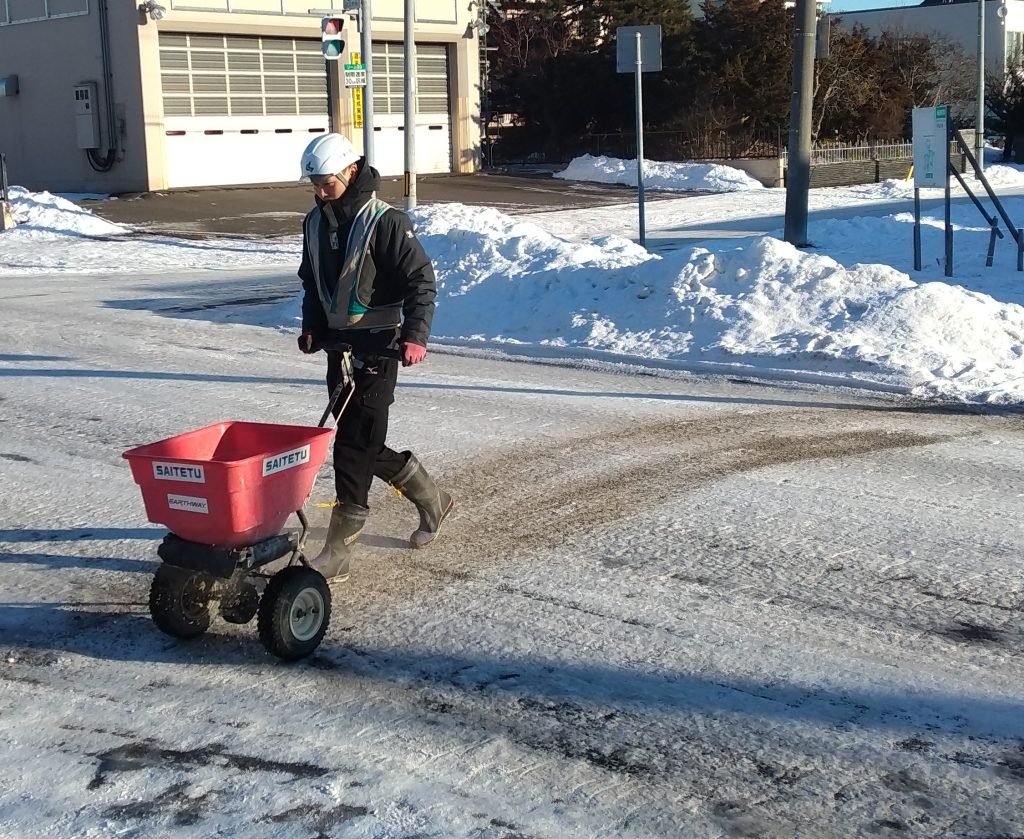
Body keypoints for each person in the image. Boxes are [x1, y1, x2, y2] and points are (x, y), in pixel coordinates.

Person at [296, 132, 453, 582]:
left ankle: (339, 549)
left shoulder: (384, 221)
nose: (320, 191)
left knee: (350, 445)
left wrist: (417, 335)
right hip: (339, 349)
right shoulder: (315, 222)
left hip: (382, 346)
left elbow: (421, 281)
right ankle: (432, 498)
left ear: (350, 170)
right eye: (315, 184)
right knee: (357, 441)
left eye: (326, 182)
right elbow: (312, 283)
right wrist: (312, 327)